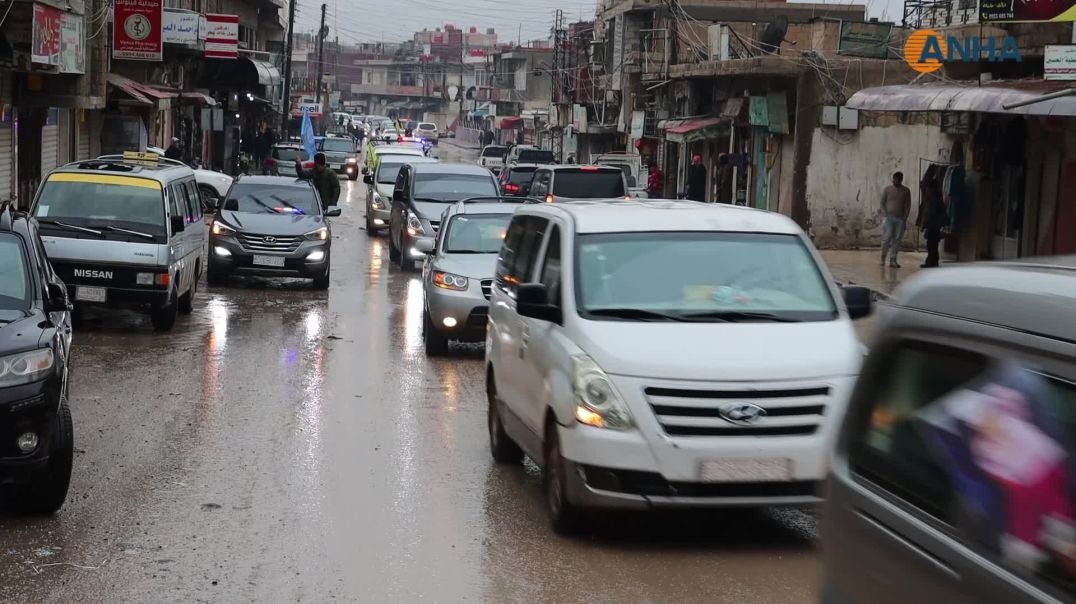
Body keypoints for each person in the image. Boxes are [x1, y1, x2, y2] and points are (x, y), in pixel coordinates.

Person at [879, 171, 912, 268]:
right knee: (887, 238)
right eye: (894, 179)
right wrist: (884, 213)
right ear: (892, 179)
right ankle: (883, 258)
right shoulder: (887, 189)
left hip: (900, 219)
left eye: (898, 180)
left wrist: (905, 218)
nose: (895, 181)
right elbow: (882, 202)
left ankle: (893, 259)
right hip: (889, 218)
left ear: (901, 180)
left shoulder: (906, 191)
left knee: (897, 240)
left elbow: (907, 205)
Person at [917, 177, 948, 268]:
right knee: (933, 244)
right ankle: (933, 261)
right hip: (936, 224)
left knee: (931, 244)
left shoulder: (933, 198)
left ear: (930, 188)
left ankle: (931, 262)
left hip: (933, 225)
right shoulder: (937, 196)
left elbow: (930, 213)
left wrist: (924, 225)